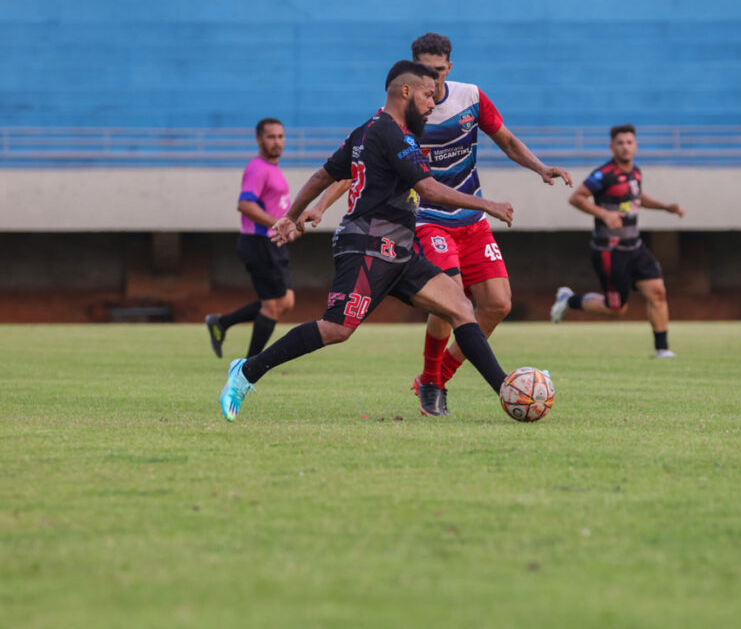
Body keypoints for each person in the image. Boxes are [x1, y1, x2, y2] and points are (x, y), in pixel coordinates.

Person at [217, 60, 515, 420]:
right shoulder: (393, 135)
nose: (432, 103)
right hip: (367, 246)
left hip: (399, 250)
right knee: (336, 328)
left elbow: (323, 175)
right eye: (426, 94)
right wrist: (487, 204)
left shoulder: (366, 131)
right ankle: (246, 371)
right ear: (405, 91)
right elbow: (428, 188)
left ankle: (507, 391)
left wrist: (292, 216)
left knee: (461, 308)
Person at [301, 33, 573, 415]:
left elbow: (507, 140)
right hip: (428, 219)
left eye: (441, 70)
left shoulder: (470, 97)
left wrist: (541, 168)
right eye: (427, 71)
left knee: (498, 304)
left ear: (450, 67)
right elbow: (356, 167)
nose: (435, 79)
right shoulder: (402, 116)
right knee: (452, 298)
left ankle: (436, 376)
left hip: (472, 219)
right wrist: (320, 206)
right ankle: (434, 382)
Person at [550, 124, 685, 358]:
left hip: (635, 247)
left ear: (636, 145)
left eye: (629, 142)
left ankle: (662, 349)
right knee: (616, 308)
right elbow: (577, 198)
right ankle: (569, 300)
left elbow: (637, 197)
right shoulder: (603, 174)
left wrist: (665, 207)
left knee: (657, 292)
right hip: (610, 251)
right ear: (612, 146)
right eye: (620, 143)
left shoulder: (636, 172)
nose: (625, 147)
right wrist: (604, 214)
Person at [204, 118, 295, 360]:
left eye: (280, 136)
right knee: (273, 306)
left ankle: (221, 323)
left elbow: (275, 208)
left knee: (285, 301)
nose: (277, 142)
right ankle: (249, 366)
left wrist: (290, 225)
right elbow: (245, 204)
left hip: (272, 243)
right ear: (258, 139)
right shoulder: (258, 168)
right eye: (271, 137)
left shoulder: (274, 169)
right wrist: (277, 224)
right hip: (258, 242)